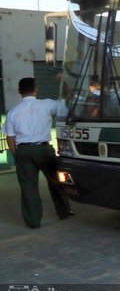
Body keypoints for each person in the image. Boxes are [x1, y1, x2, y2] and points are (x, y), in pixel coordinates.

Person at [5, 77, 73, 228]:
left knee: (28, 187)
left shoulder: (12, 113)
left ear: (19, 92)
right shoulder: (47, 104)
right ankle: (64, 211)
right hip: (43, 149)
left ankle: (33, 221)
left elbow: (10, 138)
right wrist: (65, 84)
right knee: (56, 180)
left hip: (23, 150)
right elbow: (67, 103)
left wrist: (17, 155)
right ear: (36, 89)